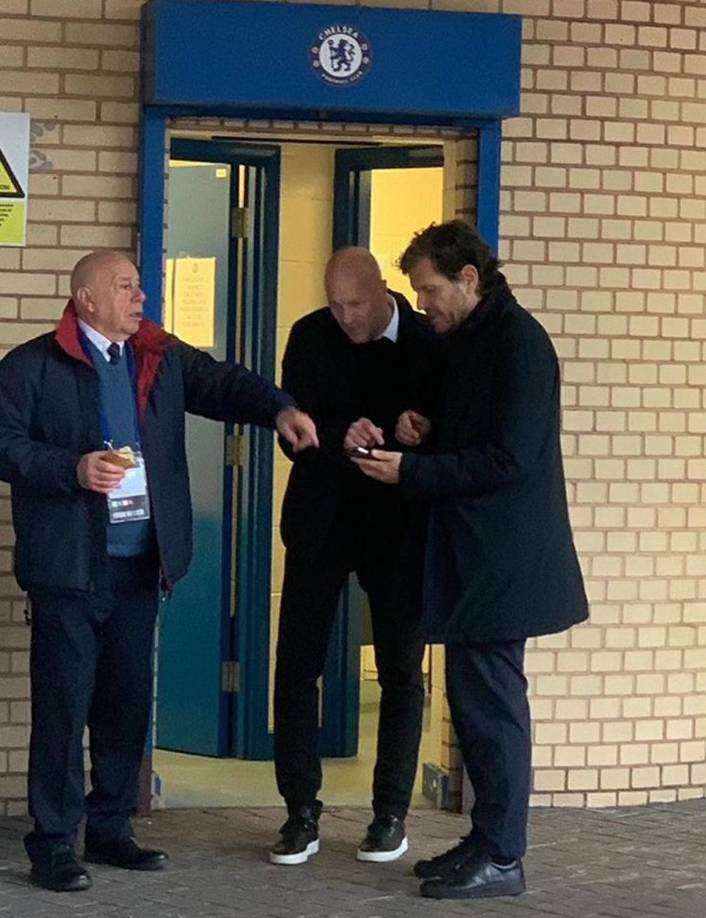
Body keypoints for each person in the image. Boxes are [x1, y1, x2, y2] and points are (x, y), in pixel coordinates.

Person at [0, 250, 318, 893]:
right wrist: (72, 469)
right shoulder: (33, 365)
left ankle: (111, 828)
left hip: (140, 566)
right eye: (125, 287)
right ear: (86, 299)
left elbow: (224, 383)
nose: (140, 296)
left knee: (124, 705)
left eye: (140, 286)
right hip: (68, 568)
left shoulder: (156, 358)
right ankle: (54, 844)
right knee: (64, 709)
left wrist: (279, 408)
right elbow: (4, 443)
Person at [353, 220, 588, 900]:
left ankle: (504, 855)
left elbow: (509, 458)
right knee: (475, 704)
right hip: (475, 559)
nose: (422, 304)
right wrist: (417, 429)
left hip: (500, 562)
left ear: (468, 280)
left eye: (429, 291)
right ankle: (486, 839)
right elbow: (473, 434)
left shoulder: (518, 344)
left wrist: (413, 473)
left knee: (492, 708)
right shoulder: (474, 340)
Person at [270, 247, 438, 866]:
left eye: (356, 304)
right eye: (335, 303)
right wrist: (340, 432)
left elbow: (451, 425)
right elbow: (295, 428)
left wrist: (419, 432)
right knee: (296, 667)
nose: (344, 316)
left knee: (401, 670)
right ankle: (299, 813)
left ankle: (390, 813)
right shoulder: (309, 335)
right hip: (321, 522)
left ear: (384, 291)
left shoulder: (426, 338)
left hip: (397, 529)